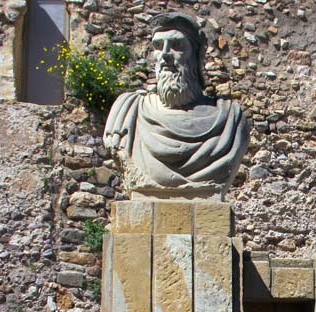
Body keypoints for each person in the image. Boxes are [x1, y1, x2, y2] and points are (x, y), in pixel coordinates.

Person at [103, 12, 249, 199]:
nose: (164, 55)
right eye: (158, 46)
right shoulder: (128, 111)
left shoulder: (230, 121)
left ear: (196, 56)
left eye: (177, 45)